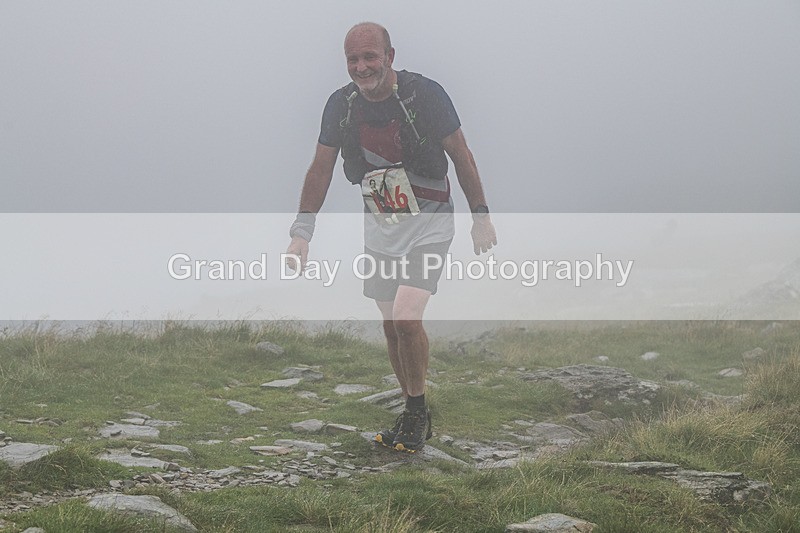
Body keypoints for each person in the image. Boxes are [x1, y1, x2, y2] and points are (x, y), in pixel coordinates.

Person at [286, 22, 496, 453]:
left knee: (405, 318)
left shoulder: (426, 95)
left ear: (390, 56)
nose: (362, 67)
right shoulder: (341, 106)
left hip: (431, 222)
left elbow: (461, 155)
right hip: (381, 224)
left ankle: (417, 414)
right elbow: (320, 168)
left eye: (370, 57)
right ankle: (411, 409)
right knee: (390, 326)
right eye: (353, 60)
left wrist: (481, 216)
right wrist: (302, 231)